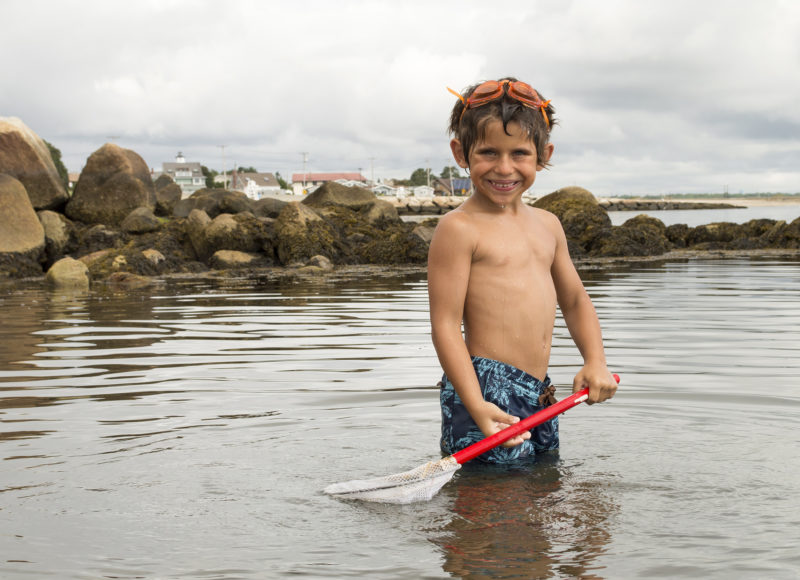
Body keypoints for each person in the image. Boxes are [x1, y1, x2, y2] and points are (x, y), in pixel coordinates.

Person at [429, 77, 617, 463]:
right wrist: (477, 404)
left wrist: (595, 359)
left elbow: (576, 300)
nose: (504, 168)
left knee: (540, 495)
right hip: (483, 388)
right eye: (487, 153)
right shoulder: (458, 229)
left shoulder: (548, 225)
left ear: (543, 154)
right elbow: (445, 326)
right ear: (460, 152)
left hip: (540, 393)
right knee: (492, 506)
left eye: (519, 153)